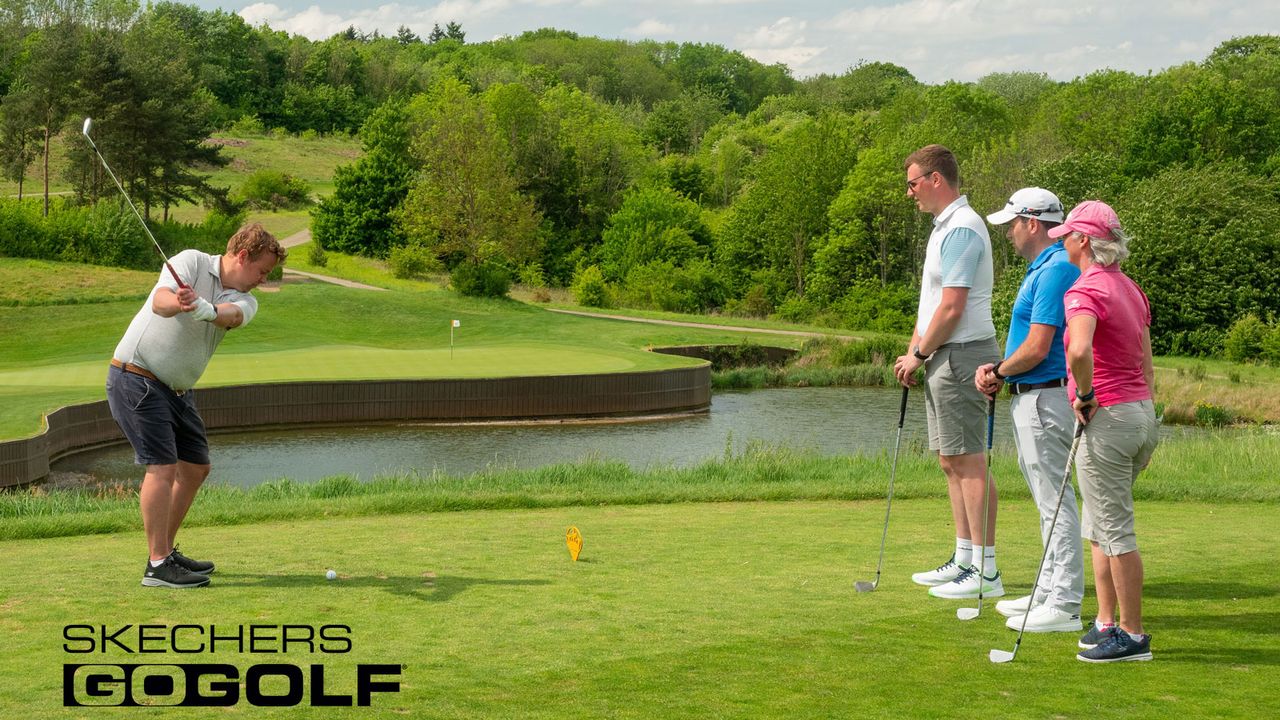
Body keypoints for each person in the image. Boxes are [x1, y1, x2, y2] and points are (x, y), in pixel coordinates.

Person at [106, 223, 286, 588]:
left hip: (177, 390)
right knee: (162, 467)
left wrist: (205, 309)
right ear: (242, 256)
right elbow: (159, 302)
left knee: (196, 468)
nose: (263, 280)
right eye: (262, 271)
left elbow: (232, 315)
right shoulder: (190, 261)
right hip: (137, 376)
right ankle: (157, 566)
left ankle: (165, 551)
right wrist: (180, 302)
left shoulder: (246, 298)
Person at [893, 144, 1003, 600]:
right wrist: (915, 348)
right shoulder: (944, 228)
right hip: (942, 352)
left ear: (936, 179)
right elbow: (934, 301)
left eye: (913, 183)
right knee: (949, 460)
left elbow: (954, 306)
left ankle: (985, 570)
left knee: (969, 460)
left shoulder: (962, 229)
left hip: (962, 354)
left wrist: (919, 355)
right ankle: (963, 558)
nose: (910, 193)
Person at [1051, 201, 1159, 662]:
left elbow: (1078, 351)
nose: (1065, 243)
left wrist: (1086, 394)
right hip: (1139, 415)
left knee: (1114, 530)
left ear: (1084, 242)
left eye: (1069, 235)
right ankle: (1106, 621)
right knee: (1098, 525)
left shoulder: (1085, 290)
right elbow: (1147, 362)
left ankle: (1132, 637)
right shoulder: (1130, 289)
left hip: (1108, 418)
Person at [975, 188, 1084, 633]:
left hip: (1045, 395)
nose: (1009, 234)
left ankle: (1064, 603)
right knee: (1046, 501)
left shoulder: (1056, 269)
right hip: (1033, 395)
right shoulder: (1046, 266)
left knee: (1055, 502)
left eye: (1012, 225)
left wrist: (998, 370)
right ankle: (1047, 588)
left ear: (1032, 223)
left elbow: (1039, 346)